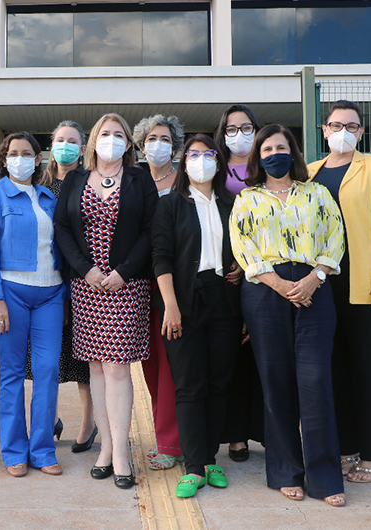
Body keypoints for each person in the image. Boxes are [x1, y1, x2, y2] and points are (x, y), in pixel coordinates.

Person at [230, 124, 346, 506]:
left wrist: (315, 277)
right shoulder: (247, 199)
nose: (274, 153)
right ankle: (285, 471)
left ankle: (325, 477)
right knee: (276, 383)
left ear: (293, 153)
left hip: (314, 287)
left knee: (315, 382)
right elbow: (243, 247)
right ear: (258, 157)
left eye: (281, 147)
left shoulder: (317, 193)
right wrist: (279, 285)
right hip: (265, 292)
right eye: (266, 149)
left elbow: (335, 237)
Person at [54, 113, 157, 489]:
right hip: (87, 285)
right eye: (104, 134)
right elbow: (62, 229)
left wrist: (124, 272)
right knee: (96, 367)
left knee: (117, 368)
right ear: (92, 141)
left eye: (118, 135)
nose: (110, 140)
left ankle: (121, 453)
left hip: (125, 286)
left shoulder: (139, 179)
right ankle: (107, 446)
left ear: (128, 144)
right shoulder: (75, 180)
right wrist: (85, 270)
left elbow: (150, 229)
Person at [308, 100, 371, 482]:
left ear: (362, 132)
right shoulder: (310, 172)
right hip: (323, 285)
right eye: (335, 124)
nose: (343, 131)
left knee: (370, 369)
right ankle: (346, 444)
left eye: (351, 125)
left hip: (366, 283)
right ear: (324, 130)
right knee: (335, 368)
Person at [152, 134, 242, 498]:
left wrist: (237, 266)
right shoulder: (170, 205)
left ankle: (210, 459)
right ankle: (192, 467)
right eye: (193, 154)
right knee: (189, 385)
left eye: (208, 154)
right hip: (184, 302)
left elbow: (244, 249)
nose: (200, 160)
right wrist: (170, 305)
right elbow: (161, 257)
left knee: (219, 382)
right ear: (183, 161)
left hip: (224, 300)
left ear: (218, 162)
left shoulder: (231, 203)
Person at [0, 132, 65, 477]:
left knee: (47, 372)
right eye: (13, 153)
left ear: (38, 158)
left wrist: (68, 298)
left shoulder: (47, 198)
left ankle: (42, 450)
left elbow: (59, 248)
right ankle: (14, 451)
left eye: (27, 153)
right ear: (3, 158)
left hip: (51, 293)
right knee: (12, 373)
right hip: (10, 292)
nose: (20, 158)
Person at [34, 121, 97, 453]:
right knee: (46, 355)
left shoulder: (89, 183)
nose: (66, 146)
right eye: (60, 140)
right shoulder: (37, 183)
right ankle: (51, 418)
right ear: (51, 145)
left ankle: (89, 422)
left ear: (83, 149)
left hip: (80, 279)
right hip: (42, 280)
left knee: (83, 356)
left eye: (72, 141)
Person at [213, 104, 265, 462]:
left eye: (246, 127)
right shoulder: (215, 168)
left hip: (267, 272)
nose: (239, 134)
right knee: (233, 356)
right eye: (232, 129)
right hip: (228, 274)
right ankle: (235, 437)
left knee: (264, 357)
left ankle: (265, 431)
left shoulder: (269, 164)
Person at [133, 114, 184, 471]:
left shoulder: (184, 180)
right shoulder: (133, 179)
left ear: (175, 145)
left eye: (164, 138)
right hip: (138, 282)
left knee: (171, 364)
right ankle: (163, 434)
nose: (158, 144)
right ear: (140, 145)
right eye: (151, 138)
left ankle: (171, 442)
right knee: (149, 363)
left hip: (174, 281)